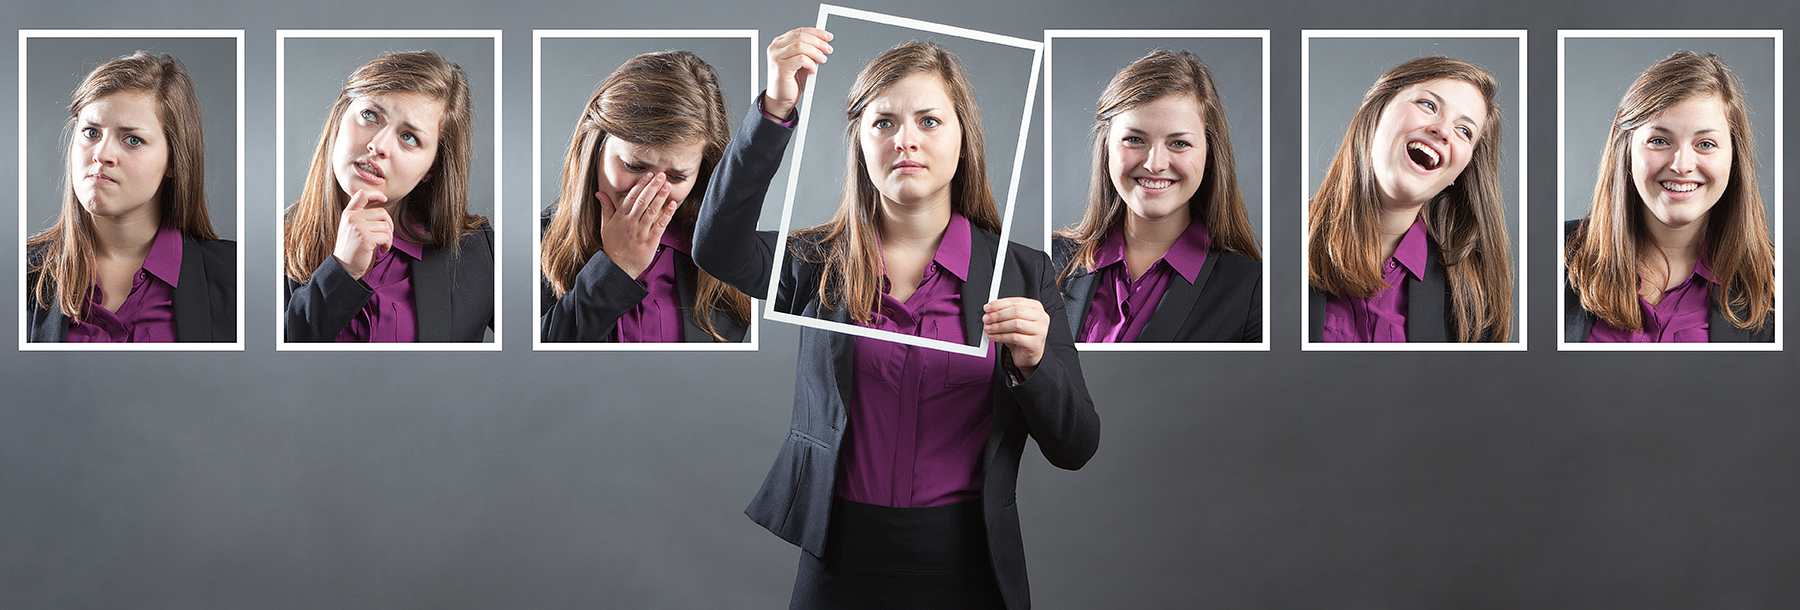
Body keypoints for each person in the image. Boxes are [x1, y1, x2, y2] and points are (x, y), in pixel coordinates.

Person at [692, 28, 1099, 610]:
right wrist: (776, 107)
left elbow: (1077, 444)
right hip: (839, 560)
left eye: (929, 121)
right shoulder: (816, 265)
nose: (905, 139)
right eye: (884, 122)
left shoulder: (1025, 275)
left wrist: (1037, 366)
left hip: (968, 565)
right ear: (860, 141)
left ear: (964, 138)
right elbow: (715, 246)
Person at [539, 51, 751, 342]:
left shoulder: (724, 265)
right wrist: (616, 269)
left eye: (676, 177)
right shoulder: (529, 247)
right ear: (595, 148)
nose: (652, 191)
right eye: (634, 166)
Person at [282, 50, 493, 342]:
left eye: (409, 137)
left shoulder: (480, 253)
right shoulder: (267, 246)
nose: (377, 145)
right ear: (340, 117)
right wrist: (339, 273)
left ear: (432, 168)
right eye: (370, 115)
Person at [1564, 51, 1774, 343]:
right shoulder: (1553, 256)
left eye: (1706, 143)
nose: (1682, 164)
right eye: (1659, 140)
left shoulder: (1776, 284)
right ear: (1625, 151)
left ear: (1734, 156)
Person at [1052, 50, 1260, 342]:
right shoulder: (1049, 263)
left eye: (1179, 143)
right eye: (1134, 139)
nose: (1154, 163)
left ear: (1210, 154)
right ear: (1106, 147)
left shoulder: (1253, 293)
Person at [27, 51, 235, 343]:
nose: (101, 154)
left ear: (174, 161)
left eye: (132, 140)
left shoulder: (238, 279)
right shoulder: (19, 276)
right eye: (91, 132)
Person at [1306, 56, 1513, 343]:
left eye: (1464, 130)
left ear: (1459, 172)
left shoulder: (1472, 298)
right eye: (1428, 105)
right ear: (1375, 113)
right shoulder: (1280, 249)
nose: (1442, 130)